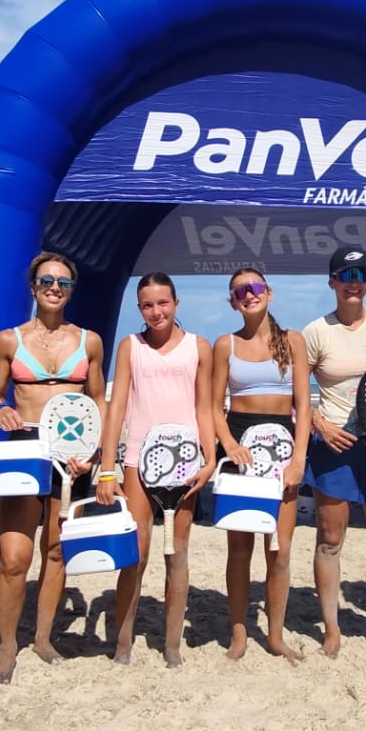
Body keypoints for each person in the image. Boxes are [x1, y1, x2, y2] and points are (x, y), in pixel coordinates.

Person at [0, 252, 107, 684]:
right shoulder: (8, 340)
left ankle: (43, 637)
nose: (55, 288)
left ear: (72, 290)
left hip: (71, 456)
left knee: (55, 550)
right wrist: (1, 410)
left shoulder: (89, 341)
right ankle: (7, 646)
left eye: (63, 283)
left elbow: (98, 399)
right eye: (47, 281)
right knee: (14, 557)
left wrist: (97, 452)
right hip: (25, 450)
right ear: (33, 286)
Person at [97, 272, 216, 667]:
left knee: (176, 553)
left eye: (163, 303)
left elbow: (204, 407)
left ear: (176, 303)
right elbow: (116, 406)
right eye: (147, 305)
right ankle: (123, 642)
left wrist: (209, 459)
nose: (156, 311)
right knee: (137, 551)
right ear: (139, 309)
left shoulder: (198, 346)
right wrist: (107, 468)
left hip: (185, 462)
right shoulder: (131, 346)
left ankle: (172, 644)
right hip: (136, 459)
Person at [302, 245, 366, 658]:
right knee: (330, 539)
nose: (354, 284)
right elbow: (296, 393)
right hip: (334, 442)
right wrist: (320, 424)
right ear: (332, 282)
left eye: (361, 276)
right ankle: (332, 629)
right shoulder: (316, 332)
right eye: (346, 276)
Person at [210, 267, 311, 663]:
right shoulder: (226, 344)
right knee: (240, 549)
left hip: (283, 447)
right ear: (233, 302)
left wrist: (299, 459)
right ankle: (238, 634)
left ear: (269, 292)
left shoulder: (293, 341)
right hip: (241, 446)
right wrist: (229, 445)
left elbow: (304, 406)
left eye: (254, 287)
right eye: (239, 291)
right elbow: (214, 407)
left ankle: (275, 636)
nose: (248, 295)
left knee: (279, 550)